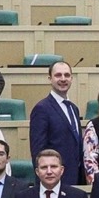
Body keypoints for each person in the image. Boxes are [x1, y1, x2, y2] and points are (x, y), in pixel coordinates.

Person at [29, 60, 87, 188]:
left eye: (67, 75)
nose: (63, 79)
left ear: (72, 79)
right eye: (58, 75)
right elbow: (38, 150)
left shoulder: (73, 108)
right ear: (50, 79)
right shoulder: (42, 108)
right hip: (54, 181)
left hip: (76, 179)